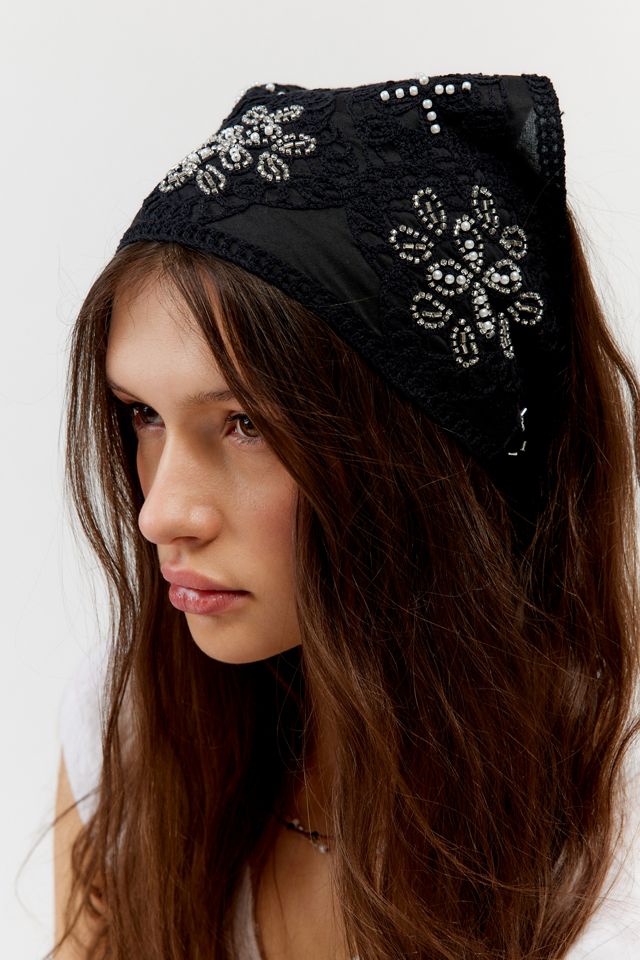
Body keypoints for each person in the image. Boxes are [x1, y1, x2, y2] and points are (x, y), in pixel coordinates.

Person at [51, 74, 640, 960]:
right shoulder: (135, 721)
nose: (160, 513)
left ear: (419, 460)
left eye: (246, 425)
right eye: (143, 415)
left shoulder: (612, 840)